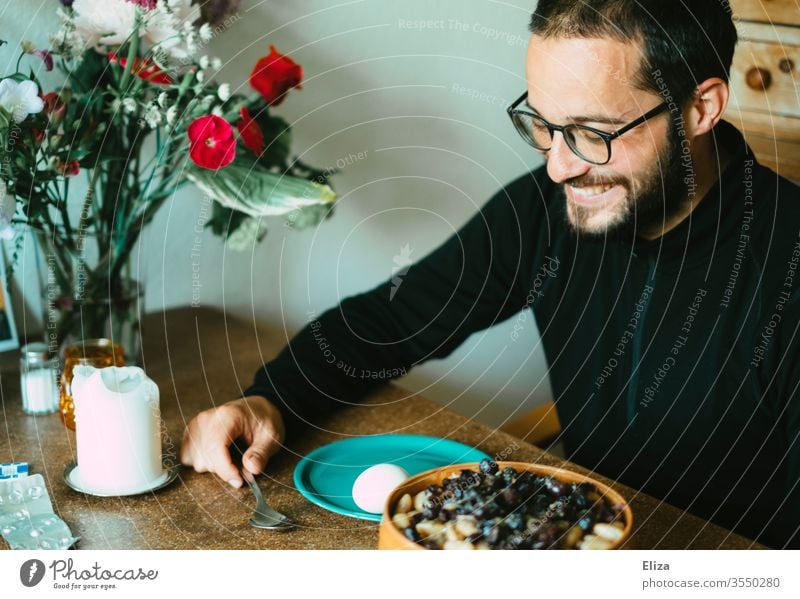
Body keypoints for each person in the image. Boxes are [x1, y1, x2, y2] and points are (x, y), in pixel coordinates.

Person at [181, 0, 800, 548]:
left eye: (590, 133)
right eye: (545, 124)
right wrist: (271, 398)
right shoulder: (547, 208)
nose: (559, 167)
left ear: (701, 107)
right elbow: (394, 317)